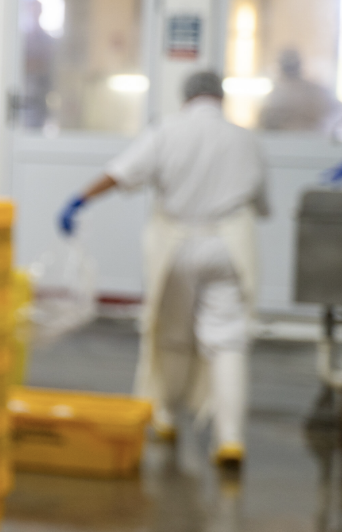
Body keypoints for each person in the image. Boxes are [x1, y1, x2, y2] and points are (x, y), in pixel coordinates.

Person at [60, 69, 268, 468]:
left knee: (170, 334)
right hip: (228, 246)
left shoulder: (168, 131)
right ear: (219, 98)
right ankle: (230, 439)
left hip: (175, 247)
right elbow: (262, 203)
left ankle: (165, 416)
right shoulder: (245, 139)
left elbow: (120, 173)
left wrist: (79, 200)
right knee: (227, 341)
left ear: (186, 97)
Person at [258, 49, 342, 133]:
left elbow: (331, 114)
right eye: (287, 61)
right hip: (280, 140)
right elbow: (263, 123)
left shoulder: (313, 91)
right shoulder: (274, 94)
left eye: (292, 61)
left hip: (309, 139)